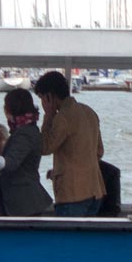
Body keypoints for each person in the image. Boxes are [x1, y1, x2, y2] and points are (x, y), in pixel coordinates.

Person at [35, 70, 104, 217]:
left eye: (42, 98)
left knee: (67, 239)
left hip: (73, 195)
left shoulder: (62, 117)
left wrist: (48, 115)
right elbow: (99, 151)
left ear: (49, 96)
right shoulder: (89, 112)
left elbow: (45, 146)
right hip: (94, 190)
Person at [0, 87, 53, 216]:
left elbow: (9, 164)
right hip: (25, 202)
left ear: (10, 109)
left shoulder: (25, 134)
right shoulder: (26, 130)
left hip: (24, 204)